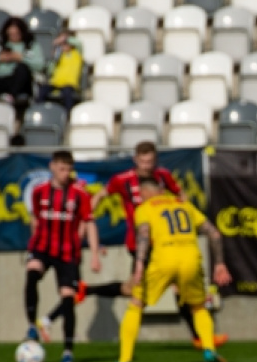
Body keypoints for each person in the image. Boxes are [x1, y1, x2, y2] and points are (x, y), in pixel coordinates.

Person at [76, 140, 228, 351]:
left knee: (159, 287)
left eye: (150, 161)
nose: (147, 165)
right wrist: (87, 220)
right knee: (141, 290)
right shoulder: (122, 180)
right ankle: (198, 337)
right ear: (135, 160)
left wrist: (187, 215)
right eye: (143, 161)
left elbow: (180, 196)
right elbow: (100, 195)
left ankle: (198, 337)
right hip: (140, 244)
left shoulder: (163, 176)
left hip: (167, 243)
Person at [111, 179, 232, 362]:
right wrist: (219, 263)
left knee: (136, 304)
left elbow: (143, 235)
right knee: (198, 306)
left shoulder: (144, 208)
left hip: (163, 258)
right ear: (161, 190)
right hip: (190, 258)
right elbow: (214, 233)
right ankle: (209, 349)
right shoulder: (184, 204)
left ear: (144, 192)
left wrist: (140, 263)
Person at [24, 150, 101, 362]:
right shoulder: (39, 192)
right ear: (52, 167)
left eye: (68, 169)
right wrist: (33, 243)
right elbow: (35, 219)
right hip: (42, 247)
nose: (65, 173)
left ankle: (67, 351)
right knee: (31, 273)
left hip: (68, 252)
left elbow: (90, 222)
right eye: (61, 168)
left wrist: (94, 254)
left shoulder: (80, 195)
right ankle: (32, 324)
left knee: (68, 298)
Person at [0, 16, 45, 107]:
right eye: (11, 34)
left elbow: (40, 64)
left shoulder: (31, 45)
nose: (13, 37)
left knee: (22, 69)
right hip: (2, 78)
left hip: (21, 82)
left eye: (16, 34)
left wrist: (20, 58)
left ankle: (11, 97)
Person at [37, 28, 83, 114]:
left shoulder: (76, 53)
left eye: (65, 43)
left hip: (69, 84)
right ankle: (40, 111)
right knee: (42, 90)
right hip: (55, 83)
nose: (63, 45)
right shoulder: (59, 56)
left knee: (67, 93)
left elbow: (78, 43)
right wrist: (54, 59)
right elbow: (50, 71)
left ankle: (68, 115)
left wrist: (63, 39)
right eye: (61, 44)